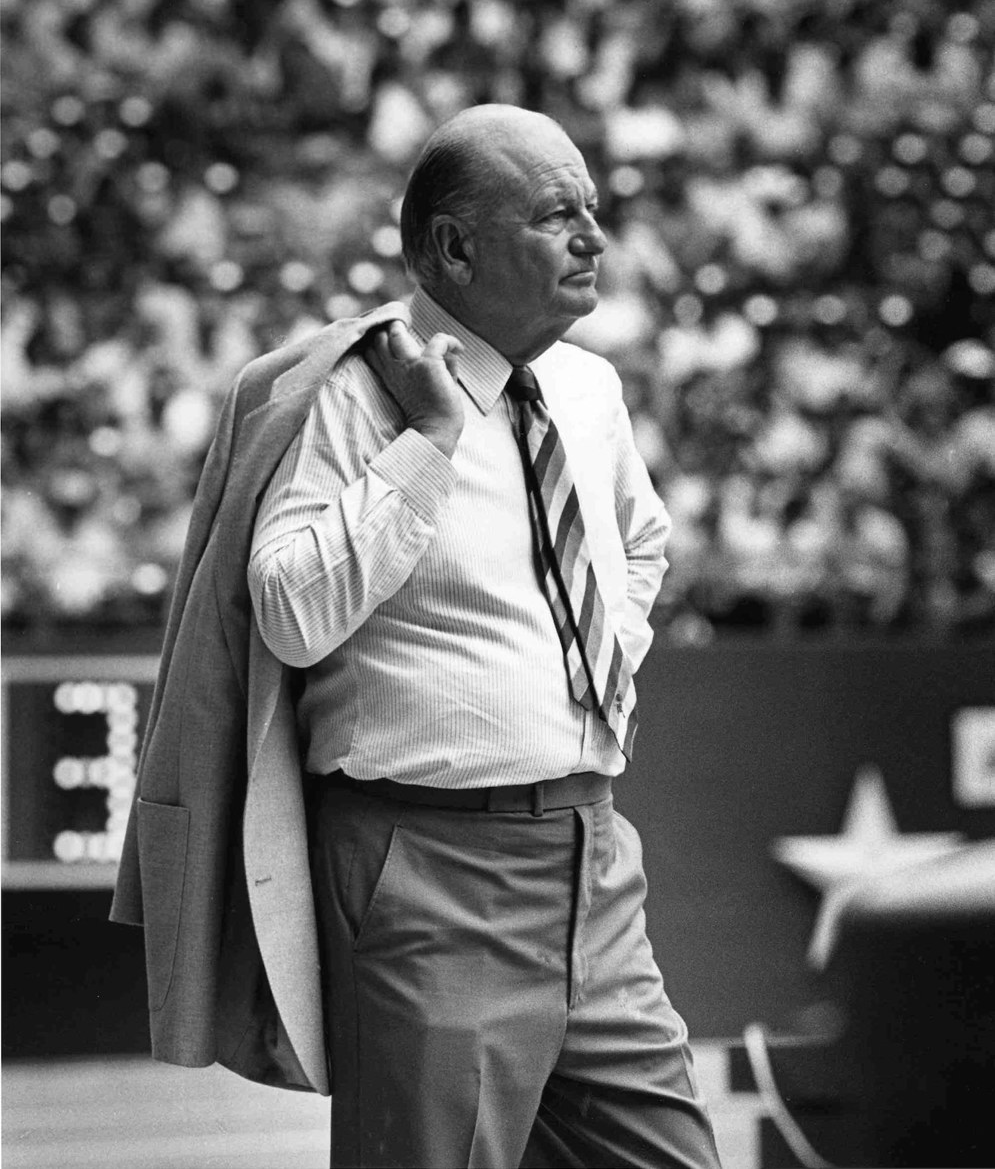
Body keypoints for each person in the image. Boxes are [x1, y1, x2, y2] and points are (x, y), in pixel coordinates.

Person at [112, 104, 721, 1169]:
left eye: (591, 209)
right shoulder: (350, 392)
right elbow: (289, 611)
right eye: (555, 214)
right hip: (427, 864)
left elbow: (639, 544)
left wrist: (597, 658)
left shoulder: (588, 387)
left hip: (592, 855)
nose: (593, 237)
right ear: (452, 246)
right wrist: (430, 438)